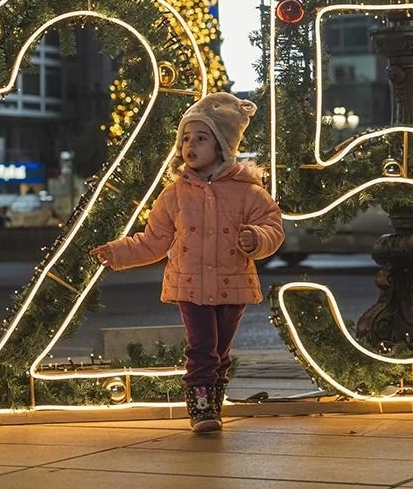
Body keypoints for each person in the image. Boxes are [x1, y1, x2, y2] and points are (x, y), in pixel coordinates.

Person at [89, 92, 283, 434]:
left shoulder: (248, 191)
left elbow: (272, 226)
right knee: (202, 348)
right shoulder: (174, 194)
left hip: (232, 286)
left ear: (221, 145)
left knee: (220, 352)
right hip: (190, 286)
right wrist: (118, 253)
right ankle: (201, 407)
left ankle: (214, 402)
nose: (190, 145)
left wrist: (256, 238)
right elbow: (154, 240)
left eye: (201, 138)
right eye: (186, 138)